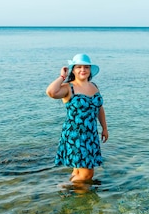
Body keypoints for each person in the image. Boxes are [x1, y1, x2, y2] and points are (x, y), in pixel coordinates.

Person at [46, 53, 108, 183]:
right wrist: (62, 76)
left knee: (79, 170)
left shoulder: (94, 86)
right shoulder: (68, 87)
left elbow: (99, 108)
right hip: (76, 135)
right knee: (87, 173)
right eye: (79, 67)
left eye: (86, 67)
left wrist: (104, 128)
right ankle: (80, 199)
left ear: (90, 70)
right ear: (73, 70)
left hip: (91, 134)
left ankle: (68, 190)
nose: (83, 70)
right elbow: (51, 92)